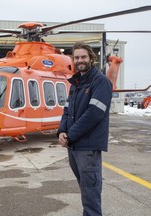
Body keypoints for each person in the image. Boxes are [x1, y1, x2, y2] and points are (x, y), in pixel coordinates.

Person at [57, 41, 113, 216]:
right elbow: (67, 110)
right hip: (74, 146)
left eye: (83, 57)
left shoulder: (101, 82)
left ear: (91, 58)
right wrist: (61, 131)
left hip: (87, 147)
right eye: (77, 57)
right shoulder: (76, 83)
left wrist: (70, 135)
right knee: (85, 188)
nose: (80, 60)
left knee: (91, 193)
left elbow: (94, 114)